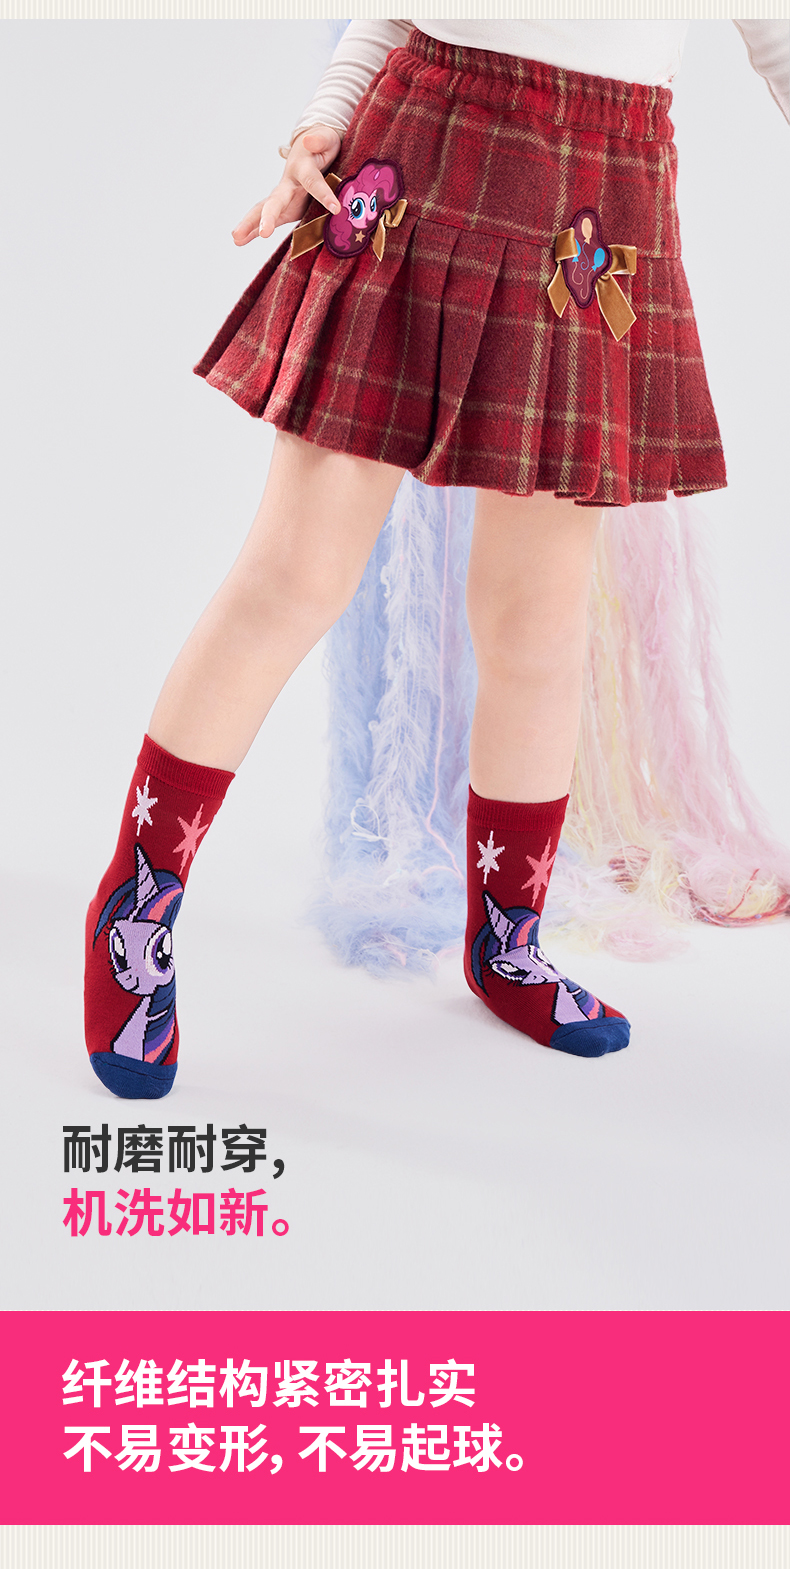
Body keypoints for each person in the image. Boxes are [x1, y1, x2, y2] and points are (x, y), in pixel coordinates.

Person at [83, 20, 789, 1098]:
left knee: (537, 623)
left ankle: (506, 941)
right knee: (293, 573)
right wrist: (325, 118)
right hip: (428, 146)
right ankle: (135, 905)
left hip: (602, 195)